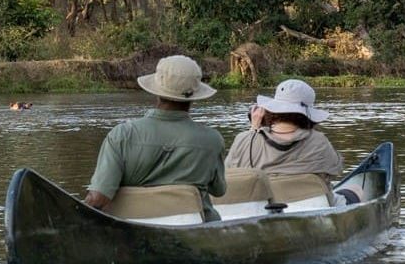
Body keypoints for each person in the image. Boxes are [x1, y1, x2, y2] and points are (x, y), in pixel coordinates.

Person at [84, 55, 227, 220]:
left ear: (157, 92)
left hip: (132, 231)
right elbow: (219, 190)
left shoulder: (122, 135)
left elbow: (98, 198)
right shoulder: (213, 140)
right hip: (196, 231)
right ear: (194, 95)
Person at [225, 79, 343, 183]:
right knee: (355, 189)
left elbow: (230, 172)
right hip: (306, 200)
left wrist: (254, 129)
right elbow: (335, 169)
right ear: (308, 115)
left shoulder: (244, 139)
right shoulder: (318, 141)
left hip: (264, 204)